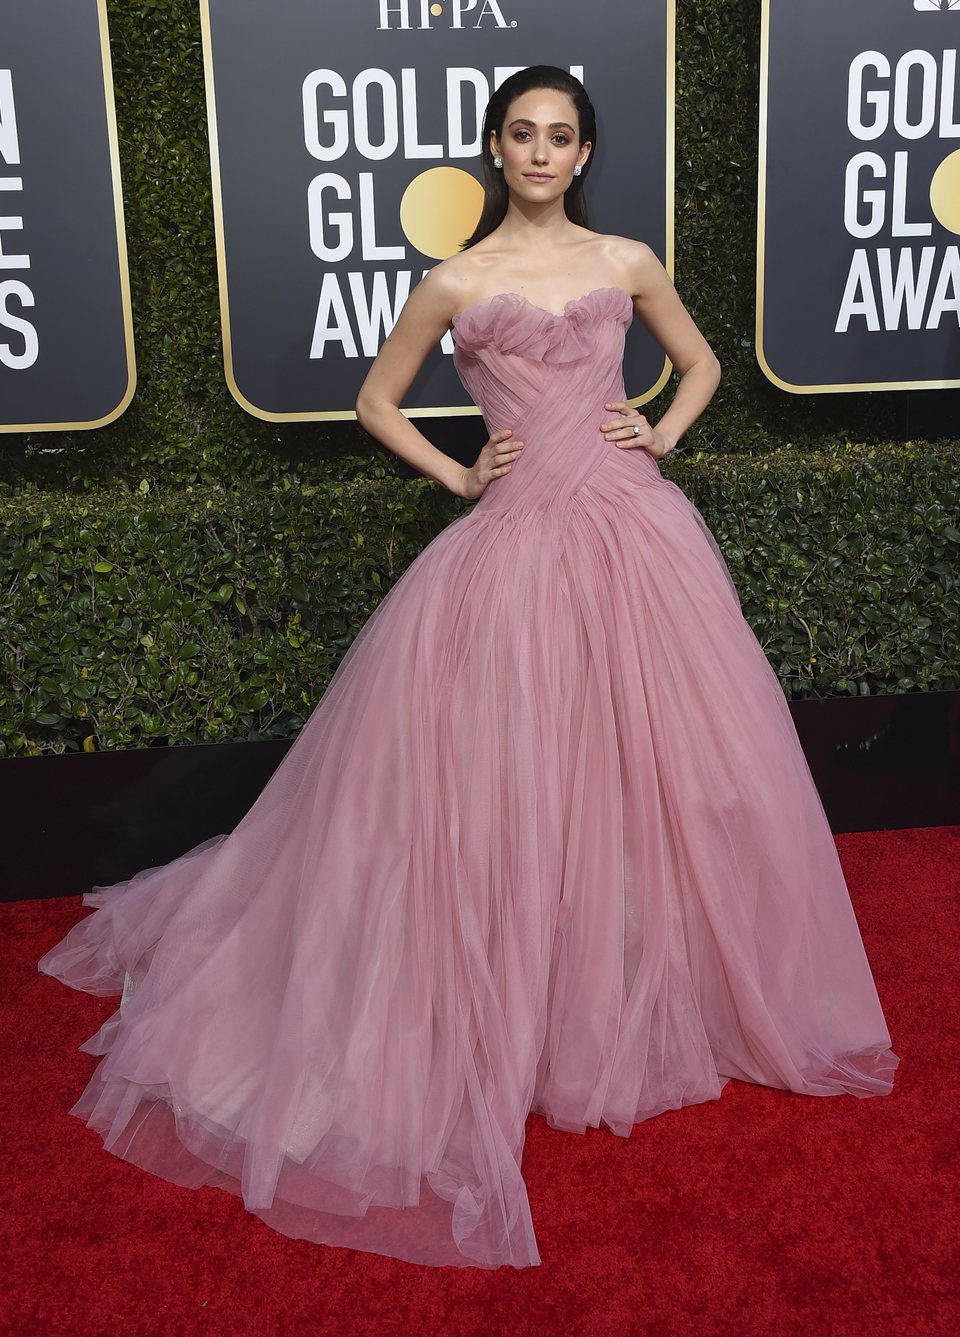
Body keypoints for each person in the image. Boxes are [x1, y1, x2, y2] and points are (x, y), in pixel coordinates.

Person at [38, 66, 899, 1271]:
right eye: (521, 134)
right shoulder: (455, 277)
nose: (540, 152)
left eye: (560, 136)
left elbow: (700, 366)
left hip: (630, 531)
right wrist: (455, 476)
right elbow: (377, 398)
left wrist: (659, 428)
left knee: (649, 772)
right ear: (496, 149)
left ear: (584, 151)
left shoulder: (628, 259)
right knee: (505, 783)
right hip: (509, 548)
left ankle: (630, 997)